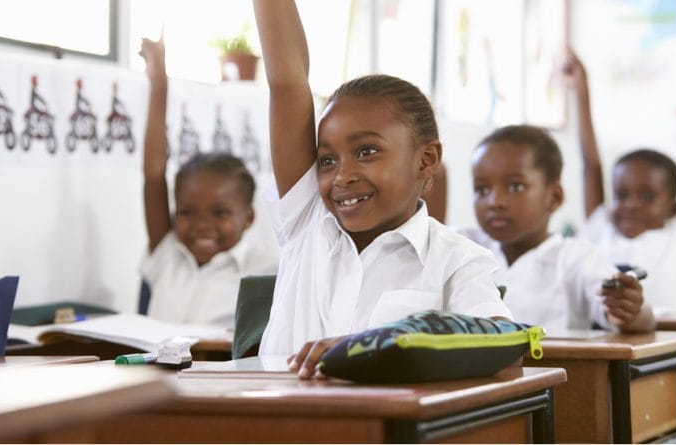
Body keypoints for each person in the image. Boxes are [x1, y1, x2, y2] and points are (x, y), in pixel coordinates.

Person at [253, 0, 513, 379]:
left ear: (426, 160)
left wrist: (374, 345)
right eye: (327, 160)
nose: (342, 176)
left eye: (366, 151)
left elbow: (504, 346)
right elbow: (288, 84)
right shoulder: (307, 221)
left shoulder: (457, 261)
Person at [563, 48, 676, 311]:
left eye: (647, 196)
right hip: (609, 345)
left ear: (672, 207)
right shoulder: (603, 228)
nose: (631, 205)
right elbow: (591, 164)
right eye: (621, 194)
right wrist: (581, 91)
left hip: (675, 349)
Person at [138, 35, 279, 327]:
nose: (202, 225)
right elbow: (153, 176)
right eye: (187, 212)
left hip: (218, 373)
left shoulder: (265, 271)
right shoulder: (167, 253)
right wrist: (158, 83)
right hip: (155, 372)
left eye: (220, 213)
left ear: (248, 217)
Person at [460, 125, 655, 333]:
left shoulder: (577, 258)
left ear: (554, 197)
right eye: (482, 189)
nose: (494, 202)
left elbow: (639, 320)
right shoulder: (463, 247)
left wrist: (631, 309)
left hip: (557, 365)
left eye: (515, 187)